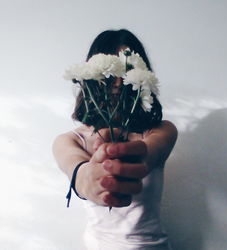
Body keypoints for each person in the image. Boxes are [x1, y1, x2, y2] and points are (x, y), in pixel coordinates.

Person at [53, 29, 178, 250]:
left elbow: (148, 154)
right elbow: (78, 171)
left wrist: (132, 161)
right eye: (111, 73)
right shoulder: (68, 141)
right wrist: (85, 179)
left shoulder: (161, 131)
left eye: (127, 70)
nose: (118, 82)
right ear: (91, 76)